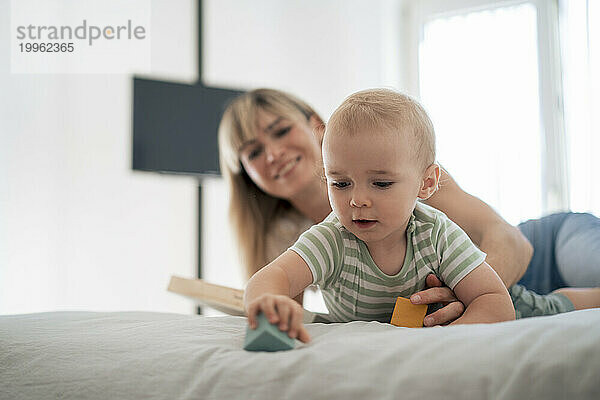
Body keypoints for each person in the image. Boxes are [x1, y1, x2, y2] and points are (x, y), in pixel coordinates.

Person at [218, 87, 600, 326]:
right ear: (246, 172)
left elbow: (511, 248)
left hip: (536, 248)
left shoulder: (416, 191)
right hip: (464, 293)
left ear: (318, 129)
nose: (274, 154)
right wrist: (270, 307)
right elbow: (278, 289)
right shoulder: (312, 238)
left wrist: (465, 299)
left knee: (555, 305)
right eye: (253, 152)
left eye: (281, 131)